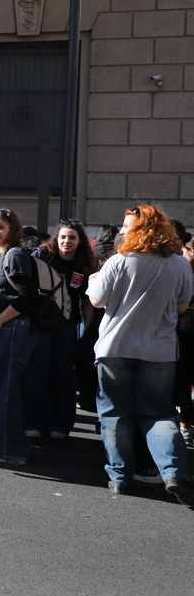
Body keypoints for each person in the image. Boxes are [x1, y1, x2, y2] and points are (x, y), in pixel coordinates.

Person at [88, 205, 194, 504]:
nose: (122, 230)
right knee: (159, 413)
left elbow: (96, 301)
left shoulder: (119, 261)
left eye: (126, 225)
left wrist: (93, 280)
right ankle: (174, 473)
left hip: (115, 348)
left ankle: (120, 477)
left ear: (140, 229)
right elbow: (182, 307)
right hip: (159, 350)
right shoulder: (179, 264)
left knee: (114, 414)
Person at [22, 220, 97, 440]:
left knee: (63, 376)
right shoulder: (42, 256)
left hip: (67, 327)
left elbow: (87, 302)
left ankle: (60, 425)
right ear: (57, 238)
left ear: (80, 241)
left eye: (72, 237)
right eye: (63, 237)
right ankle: (33, 421)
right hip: (41, 325)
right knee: (37, 375)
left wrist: (87, 332)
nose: (67, 241)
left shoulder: (85, 265)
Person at [0, 208, 37, 466]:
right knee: (4, 389)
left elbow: (26, 297)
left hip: (13, 329)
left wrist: (0, 320)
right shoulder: (8, 254)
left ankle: (9, 450)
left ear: (13, 230)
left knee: (3, 390)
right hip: (11, 329)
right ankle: (16, 442)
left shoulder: (14, 254)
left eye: (0, 227)